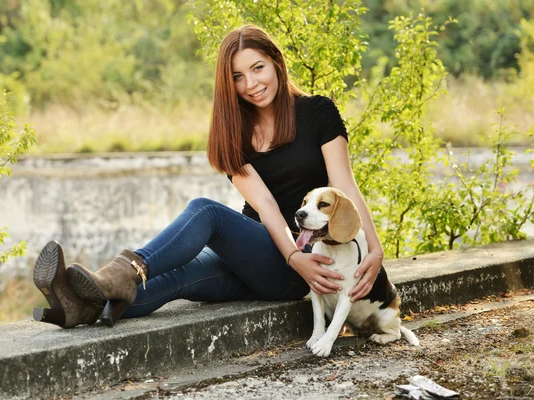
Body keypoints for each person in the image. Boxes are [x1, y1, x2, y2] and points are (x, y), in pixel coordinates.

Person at [32, 25, 384, 329]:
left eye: (258, 68)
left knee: (207, 212)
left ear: (276, 62)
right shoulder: (234, 133)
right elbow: (264, 205)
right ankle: (79, 307)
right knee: (178, 277)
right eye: (237, 77)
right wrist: (291, 256)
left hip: (306, 263)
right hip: (262, 252)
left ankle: (120, 272)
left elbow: (345, 188)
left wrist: (374, 250)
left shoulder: (318, 112)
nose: (251, 84)